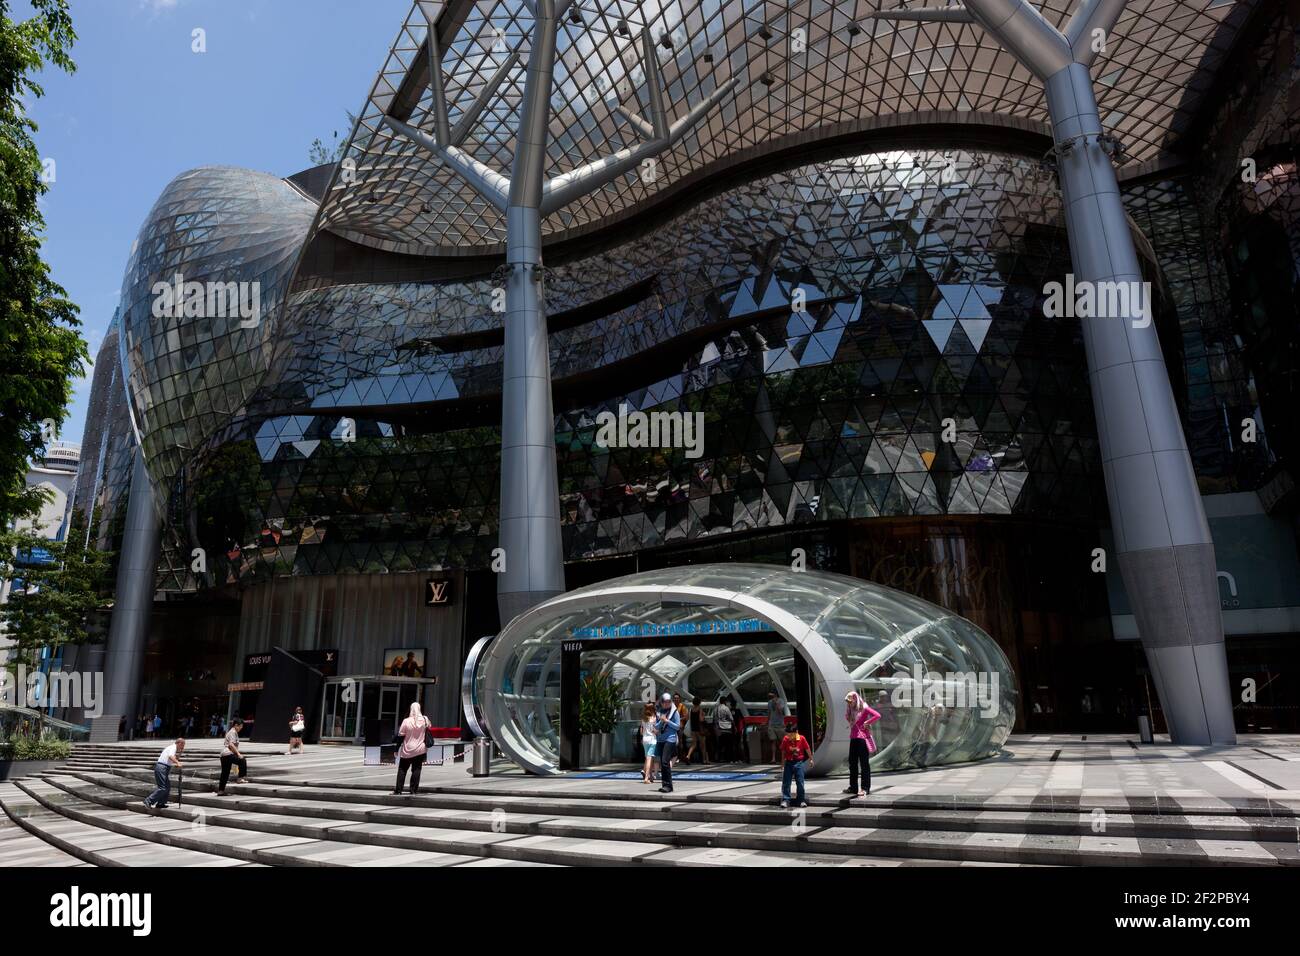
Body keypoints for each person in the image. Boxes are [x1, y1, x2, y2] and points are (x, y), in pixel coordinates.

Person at [843, 691, 881, 797]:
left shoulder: (863, 707)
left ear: (855, 699)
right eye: (848, 702)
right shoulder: (851, 710)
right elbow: (848, 718)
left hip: (863, 739)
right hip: (853, 738)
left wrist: (867, 722)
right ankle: (853, 787)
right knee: (852, 763)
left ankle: (865, 788)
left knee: (864, 764)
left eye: (850, 701)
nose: (849, 703)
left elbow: (877, 715)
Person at [394, 702, 430, 795]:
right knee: (416, 769)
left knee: (402, 770)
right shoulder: (425, 719)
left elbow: (400, 736)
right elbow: (429, 727)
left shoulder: (406, 721)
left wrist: (396, 749)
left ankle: (398, 790)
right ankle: (413, 790)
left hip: (407, 750)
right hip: (420, 749)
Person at [779, 724, 813, 809]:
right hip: (789, 762)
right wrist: (782, 763)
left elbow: (807, 748)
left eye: (791, 734)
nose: (789, 736)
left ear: (796, 732)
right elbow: (783, 752)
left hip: (799, 763)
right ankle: (786, 800)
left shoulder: (801, 738)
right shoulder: (786, 739)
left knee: (800, 782)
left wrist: (811, 759)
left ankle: (801, 800)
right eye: (788, 734)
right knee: (786, 782)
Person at [144, 738, 185, 809]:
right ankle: (148, 800)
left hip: (164, 768)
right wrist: (177, 763)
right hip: (162, 767)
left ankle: (161, 803)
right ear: (179, 743)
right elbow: (171, 756)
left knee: (167, 787)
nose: (183, 747)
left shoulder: (172, 748)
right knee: (163, 787)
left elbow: (174, 758)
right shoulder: (173, 747)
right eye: (183, 745)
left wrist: (180, 753)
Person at [653, 693, 680, 793]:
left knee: (665, 761)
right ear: (661, 702)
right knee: (662, 763)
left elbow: (677, 726)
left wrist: (667, 721)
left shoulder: (674, 711)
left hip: (670, 739)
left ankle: (669, 785)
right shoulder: (659, 711)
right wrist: (659, 724)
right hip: (661, 739)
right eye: (665, 702)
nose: (667, 704)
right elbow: (657, 725)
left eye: (669, 701)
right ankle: (665, 784)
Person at [216, 718, 248, 795]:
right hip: (228, 754)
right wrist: (238, 754)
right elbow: (231, 744)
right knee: (242, 760)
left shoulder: (233, 732)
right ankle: (240, 778)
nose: (241, 728)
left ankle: (221, 791)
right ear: (236, 725)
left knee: (225, 773)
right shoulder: (233, 732)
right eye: (240, 726)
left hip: (224, 755)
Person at [765, 690, 788, 763]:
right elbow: (769, 713)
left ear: (776, 695)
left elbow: (781, 712)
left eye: (772, 696)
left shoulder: (781, 701)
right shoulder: (769, 702)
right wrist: (767, 723)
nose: (771, 698)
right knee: (773, 741)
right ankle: (773, 759)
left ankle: (784, 758)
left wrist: (776, 703)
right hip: (771, 724)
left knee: (782, 741)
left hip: (780, 725)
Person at [639, 702, 659, 784]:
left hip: (645, 739)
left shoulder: (643, 718)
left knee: (649, 758)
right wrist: (656, 731)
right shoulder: (654, 718)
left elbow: (641, 732)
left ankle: (650, 776)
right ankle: (646, 778)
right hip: (652, 740)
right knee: (649, 759)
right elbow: (655, 731)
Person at [685, 696, 709, 764]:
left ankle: (688, 756)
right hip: (699, 729)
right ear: (699, 702)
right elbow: (701, 719)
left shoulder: (691, 709)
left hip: (693, 729)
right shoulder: (700, 709)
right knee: (703, 745)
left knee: (693, 744)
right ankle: (704, 760)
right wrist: (703, 716)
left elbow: (687, 718)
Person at [714, 696, 735, 762]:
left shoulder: (716, 709)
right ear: (725, 701)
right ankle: (728, 758)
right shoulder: (726, 708)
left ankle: (719, 758)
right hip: (727, 729)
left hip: (719, 729)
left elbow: (714, 719)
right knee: (728, 745)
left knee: (720, 745)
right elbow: (731, 719)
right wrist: (734, 726)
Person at [673, 694, 690, 765]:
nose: (676, 699)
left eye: (677, 698)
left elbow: (686, 717)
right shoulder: (672, 706)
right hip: (673, 727)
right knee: (673, 743)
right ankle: (675, 757)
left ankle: (681, 757)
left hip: (680, 727)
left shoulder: (682, 706)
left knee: (680, 742)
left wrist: (678, 719)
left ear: (680, 699)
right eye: (675, 698)